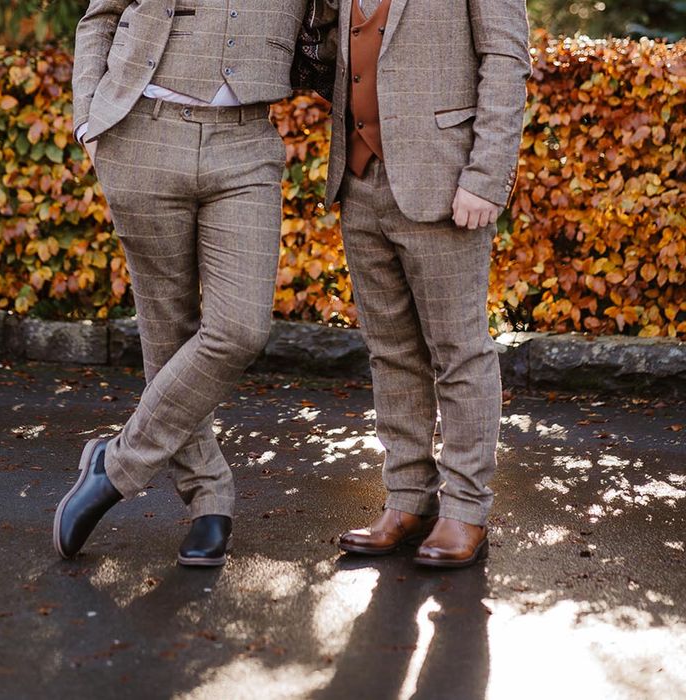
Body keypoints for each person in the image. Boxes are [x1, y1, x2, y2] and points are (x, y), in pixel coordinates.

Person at [54, 0, 309, 567]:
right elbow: (100, 17)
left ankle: (114, 465)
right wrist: (87, 121)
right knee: (167, 333)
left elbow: (336, 33)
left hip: (245, 143)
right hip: (142, 132)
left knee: (240, 330)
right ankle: (208, 499)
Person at [296, 0, 531, 567]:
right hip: (359, 179)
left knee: (459, 352)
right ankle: (406, 500)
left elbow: (507, 58)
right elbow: (327, 55)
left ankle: (465, 511)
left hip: (446, 178)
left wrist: (485, 176)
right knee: (391, 352)